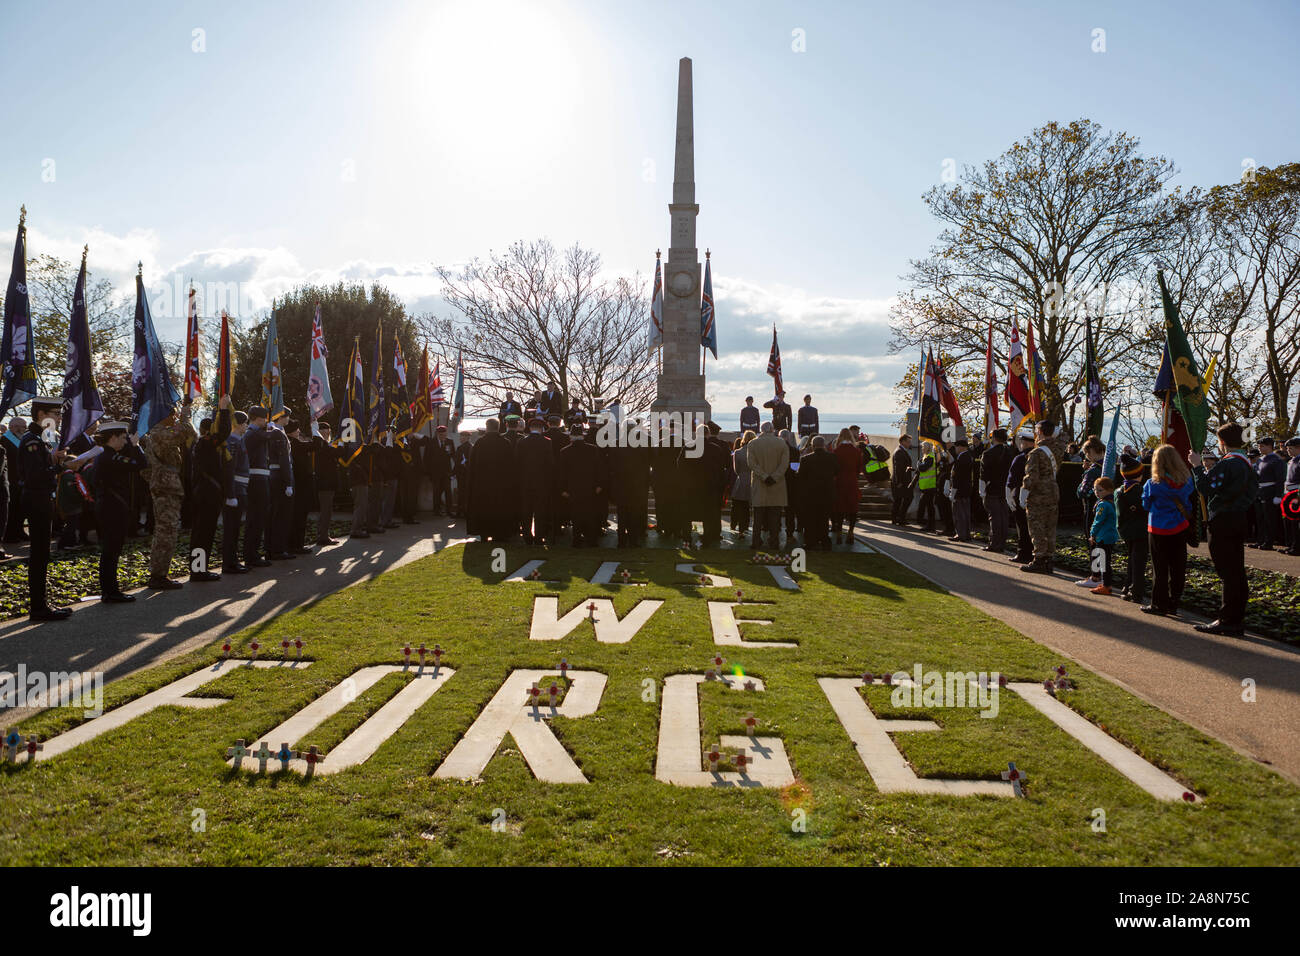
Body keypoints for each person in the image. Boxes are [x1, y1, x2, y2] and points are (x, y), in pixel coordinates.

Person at [1190, 423, 1257, 636]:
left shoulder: (1229, 464)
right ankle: (1235, 617)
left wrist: (1197, 466)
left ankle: (1228, 619)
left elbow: (1206, 487)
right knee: (1236, 570)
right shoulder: (1246, 463)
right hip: (1239, 517)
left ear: (1223, 442)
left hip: (1223, 519)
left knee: (1228, 571)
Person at [19, 401, 73, 620]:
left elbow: (46, 468)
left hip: (43, 498)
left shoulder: (43, 438)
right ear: (41, 414)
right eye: (55, 414)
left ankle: (42, 603)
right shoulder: (31, 441)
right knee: (39, 554)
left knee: (43, 554)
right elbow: (36, 475)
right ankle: (38, 608)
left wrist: (60, 462)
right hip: (36, 499)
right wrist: (58, 466)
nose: (59, 418)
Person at [143, 398, 197, 588]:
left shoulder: (159, 433)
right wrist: (186, 413)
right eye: (172, 414)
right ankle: (158, 575)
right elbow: (187, 432)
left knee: (168, 530)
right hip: (166, 487)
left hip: (166, 485)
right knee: (166, 531)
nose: (174, 418)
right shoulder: (159, 433)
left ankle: (159, 574)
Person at [92, 421, 145, 602]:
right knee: (111, 551)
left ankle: (109, 590)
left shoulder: (105, 456)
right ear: (112, 438)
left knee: (111, 550)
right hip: (112, 507)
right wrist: (136, 446)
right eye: (123, 438)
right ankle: (110, 591)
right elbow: (140, 463)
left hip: (110, 506)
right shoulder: (110, 457)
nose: (125, 442)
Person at [1141, 443, 1194, 617]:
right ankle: (1174, 602)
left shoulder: (1153, 484)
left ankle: (1159, 604)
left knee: (1160, 568)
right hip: (1179, 526)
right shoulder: (1187, 481)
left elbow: (1146, 504)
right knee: (1178, 567)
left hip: (1158, 528)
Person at [189, 396, 233, 580]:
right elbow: (224, 432)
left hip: (204, 492)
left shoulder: (201, 443)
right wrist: (223, 410)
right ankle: (198, 571)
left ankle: (198, 569)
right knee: (203, 533)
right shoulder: (205, 443)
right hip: (207, 494)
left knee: (203, 532)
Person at [1020, 420, 1066, 574]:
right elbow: (1063, 436)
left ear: (1039, 431)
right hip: (1053, 492)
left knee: (1037, 527)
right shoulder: (1058, 448)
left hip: (1038, 495)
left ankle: (1039, 559)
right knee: (1050, 528)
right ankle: (1049, 560)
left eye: (1036, 430)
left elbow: (1031, 476)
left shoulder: (1036, 452)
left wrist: (1023, 493)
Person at [467, 418, 517, 542]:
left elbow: (471, 465)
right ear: (499, 427)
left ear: (487, 427)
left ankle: (484, 533)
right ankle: (499, 533)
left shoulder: (479, 443)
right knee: (499, 509)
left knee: (483, 509)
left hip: (482, 485)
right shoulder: (505, 443)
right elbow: (511, 466)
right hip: (501, 486)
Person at [559, 425, 606, 547]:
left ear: (571, 436)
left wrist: (563, 489)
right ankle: (592, 539)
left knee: (576, 515)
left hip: (573, 489)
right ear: (582, 435)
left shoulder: (564, 451)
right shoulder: (593, 449)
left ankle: (576, 539)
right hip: (590, 487)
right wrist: (600, 485)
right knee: (591, 514)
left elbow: (562, 472)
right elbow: (600, 469)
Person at [747, 421, 789, 552]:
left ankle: (755, 541)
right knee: (775, 518)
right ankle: (774, 541)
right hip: (776, 485)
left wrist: (764, 476)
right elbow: (784, 464)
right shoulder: (782, 443)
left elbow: (751, 464)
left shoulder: (753, 444)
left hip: (760, 484)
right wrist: (774, 477)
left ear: (761, 430)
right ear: (772, 429)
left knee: (757, 518)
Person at [515, 415, 554, 546]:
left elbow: (517, 463)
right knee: (540, 511)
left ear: (530, 428)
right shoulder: (547, 442)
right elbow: (550, 464)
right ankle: (539, 536)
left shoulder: (521, 442)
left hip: (524, 482)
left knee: (526, 510)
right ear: (542, 428)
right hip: (541, 483)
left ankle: (527, 535)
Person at [1073, 436, 1107, 587]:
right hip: (1106, 509)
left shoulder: (1093, 471)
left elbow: (1083, 491)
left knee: (1093, 542)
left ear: (1092, 451)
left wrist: (1081, 484)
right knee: (1103, 544)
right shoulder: (1108, 466)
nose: (1086, 456)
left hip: (1092, 509)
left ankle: (1095, 576)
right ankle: (1102, 575)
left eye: (1087, 453)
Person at [1116, 453, 1148, 603]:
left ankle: (1127, 585)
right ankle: (1136, 590)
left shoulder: (1119, 491)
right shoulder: (1139, 490)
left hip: (1125, 530)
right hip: (1140, 530)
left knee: (1131, 559)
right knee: (1139, 562)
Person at [243, 406, 273, 566]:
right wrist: (274, 428)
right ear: (257, 418)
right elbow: (270, 436)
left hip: (260, 478)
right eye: (264, 418)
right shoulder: (252, 434)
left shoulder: (255, 433)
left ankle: (252, 553)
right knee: (256, 517)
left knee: (259, 517)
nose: (266, 421)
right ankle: (251, 554)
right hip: (256, 479)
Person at [612, 422, 650, 548]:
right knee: (633, 513)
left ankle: (621, 541)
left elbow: (612, 466)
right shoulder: (640, 444)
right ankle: (633, 540)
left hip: (621, 484)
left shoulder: (616, 443)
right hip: (636, 485)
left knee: (622, 514)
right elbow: (646, 464)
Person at [222, 410, 251, 573]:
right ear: (239, 424)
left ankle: (233, 561)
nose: (246, 425)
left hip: (240, 490)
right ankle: (229, 563)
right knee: (231, 529)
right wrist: (231, 494)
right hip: (236, 491)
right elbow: (230, 469)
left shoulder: (238, 440)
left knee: (235, 528)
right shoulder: (232, 441)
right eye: (245, 422)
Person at [266, 411, 296, 560]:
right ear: (282, 417)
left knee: (276, 514)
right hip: (280, 478)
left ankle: (272, 549)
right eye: (287, 416)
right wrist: (288, 483)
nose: (288, 419)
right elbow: (284, 460)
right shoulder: (277, 433)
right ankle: (278, 550)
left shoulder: (272, 432)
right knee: (281, 515)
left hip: (274, 476)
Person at [799, 435, 837, 550]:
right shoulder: (832, 458)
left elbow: (801, 476)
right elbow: (837, 471)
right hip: (826, 492)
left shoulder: (806, 459)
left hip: (811, 494)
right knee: (824, 518)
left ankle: (810, 541)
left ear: (812, 445)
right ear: (824, 445)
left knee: (810, 519)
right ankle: (824, 540)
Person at [286, 418, 317, 551]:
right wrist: (315, 429)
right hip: (301, 485)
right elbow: (316, 445)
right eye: (296, 429)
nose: (298, 431)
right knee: (299, 516)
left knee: (298, 516)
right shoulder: (295, 444)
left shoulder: (293, 442)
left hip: (298, 484)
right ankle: (296, 545)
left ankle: (295, 544)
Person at [980, 428, 1013, 553]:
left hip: (992, 489)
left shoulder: (988, 453)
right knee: (1003, 517)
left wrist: (981, 491)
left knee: (994, 518)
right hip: (1005, 489)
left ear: (994, 438)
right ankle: (1002, 542)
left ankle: (994, 543)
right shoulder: (1010, 452)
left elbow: (984, 475)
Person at [311, 420, 341, 547]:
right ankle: (322, 537)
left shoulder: (325, 444)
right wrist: (341, 443)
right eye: (324, 430)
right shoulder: (321, 445)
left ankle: (323, 535)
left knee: (327, 511)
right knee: (325, 511)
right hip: (324, 484)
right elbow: (336, 452)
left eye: (328, 429)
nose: (328, 432)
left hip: (328, 484)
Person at [1088, 477, 1119, 595]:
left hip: (1103, 536)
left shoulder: (1103, 505)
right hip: (1111, 536)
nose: (1097, 492)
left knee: (1104, 562)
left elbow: (1098, 521)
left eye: (1100, 490)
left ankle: (1106, 585)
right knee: (1106, 560)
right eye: (1095, 490)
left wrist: (1092, 534)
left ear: (1110, 490)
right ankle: (1105, 583)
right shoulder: (1114, 502)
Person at [1254, 436, 1286, 551]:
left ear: (1269, 446)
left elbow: (1280, 478)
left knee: (1269, 518)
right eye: (1259, 446)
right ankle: (1260, 539)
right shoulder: (1260, 460)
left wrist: (1278, 495)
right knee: (1260, 518)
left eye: (1262, 446)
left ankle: (1269, 541)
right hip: (1260, 491)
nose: (1260, 448)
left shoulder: (1276, 460)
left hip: (1271, 490)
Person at [831, 428, 861, 545]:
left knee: (839, 509)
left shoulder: (836, 451)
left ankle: (839, 533)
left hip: (840, 482)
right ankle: (851, 532)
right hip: (852, 481)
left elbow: (834, 469)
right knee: (853, 508)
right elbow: (859, 468)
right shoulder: (856, 451)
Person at [731, 431, 755, 539]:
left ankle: (738, 526)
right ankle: (745, 526)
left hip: (741, 480)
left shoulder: (738, 452)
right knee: (748, 507)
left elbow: (736, 470)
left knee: (739, 505)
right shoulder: (755, 452)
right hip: (753, 480)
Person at [949, 438, 973, 542]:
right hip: (966, 488)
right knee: (965, 513)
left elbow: (956, 476)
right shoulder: (969, 456)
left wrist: (953, 490)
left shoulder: (961, 458)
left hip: (959, 489)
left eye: (957, 447)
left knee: (959, 513)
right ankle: (966, 534)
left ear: (962, 447)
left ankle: (960, 534)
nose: (956, 449)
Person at [914, 443, 939, 534]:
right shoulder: (926, 457)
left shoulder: (930, 457)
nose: (922, 449)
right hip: (926, 486)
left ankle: (927, 524)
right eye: (921, 447)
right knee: (929, 506)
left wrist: (918, 463)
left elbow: (922, 468)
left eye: (923, 447)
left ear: (928, 448)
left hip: (930, 486)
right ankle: (930, 525)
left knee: (926, 505)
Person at [890, 433, 915, 525]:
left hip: (903, 481)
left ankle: (898, 518)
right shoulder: (899, 452)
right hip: (902, 482)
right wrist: (899, 482)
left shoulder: (901, 451)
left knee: (900, 500)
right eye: (908, 442)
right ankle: (898, 518)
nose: (910, 444)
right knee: (902, 499)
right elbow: (898, 469)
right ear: (903, 442)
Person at [1284, 436, 1300, 556]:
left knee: (1295, 522)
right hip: (1288, 492)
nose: (1288, 451)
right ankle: (1291, 544)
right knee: (1289, 521)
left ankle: (1297, 547)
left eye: (1290, 448)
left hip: (1297, 492)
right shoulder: (1291, 461)